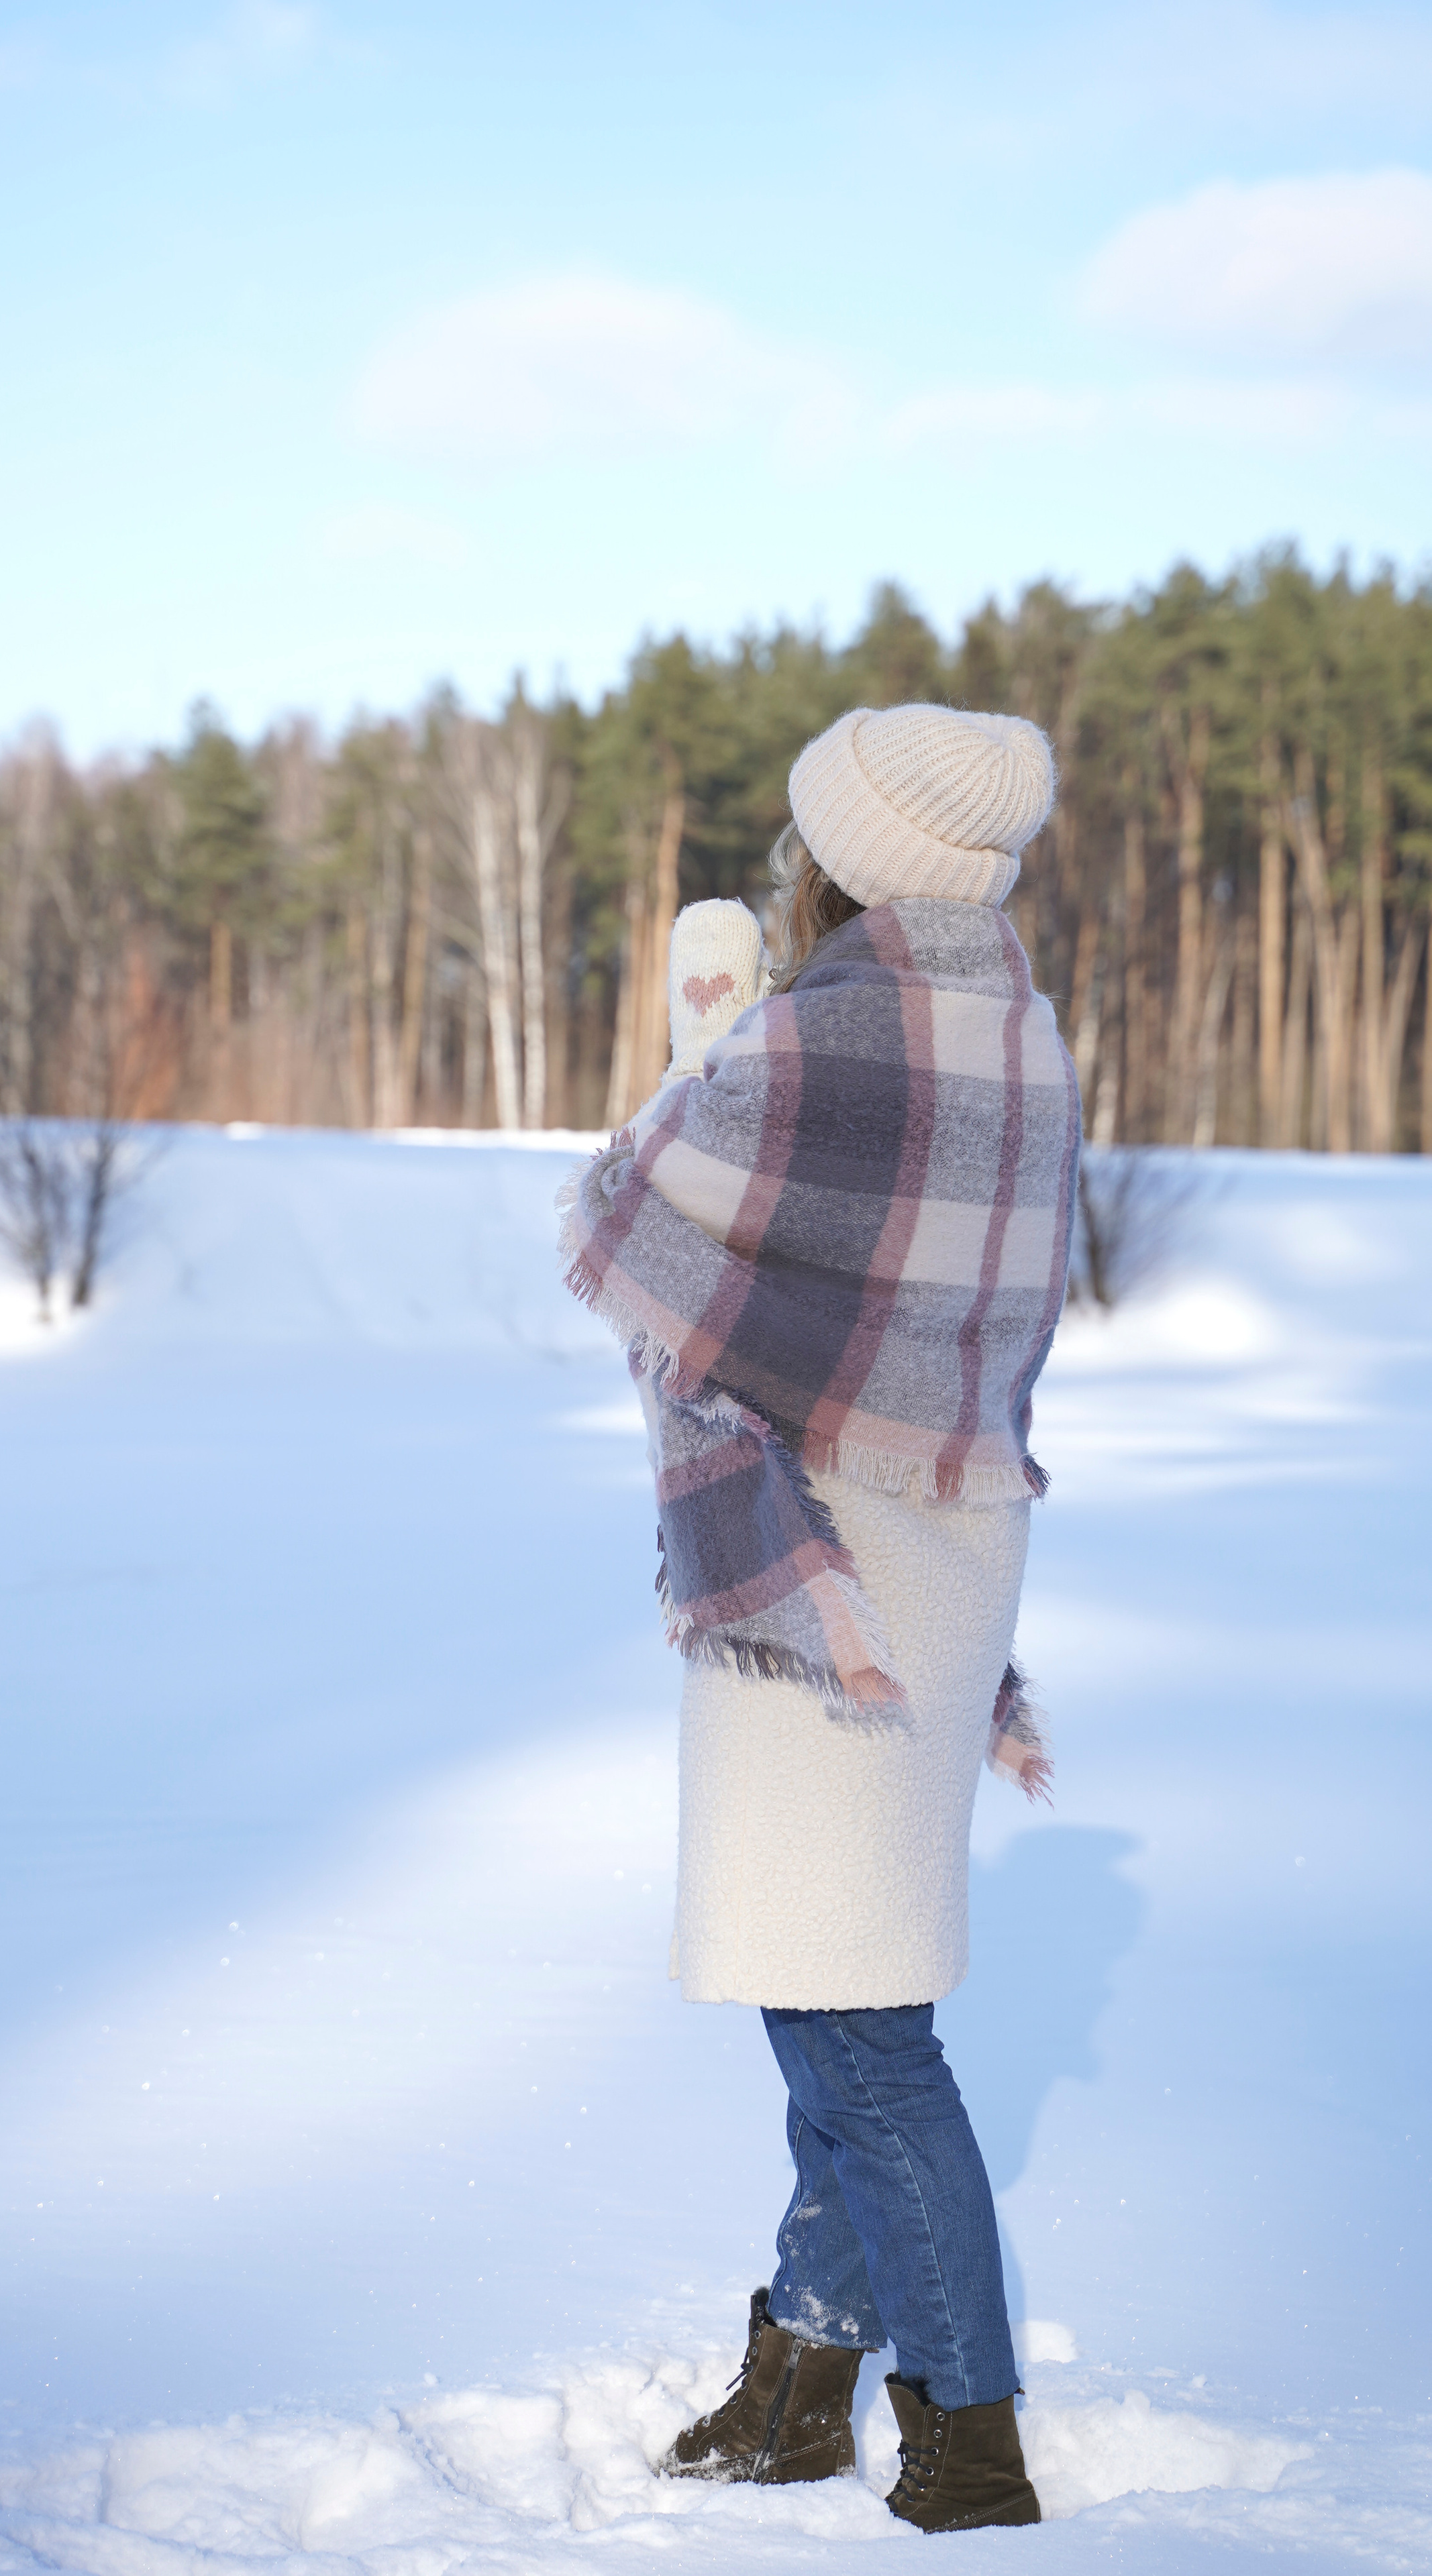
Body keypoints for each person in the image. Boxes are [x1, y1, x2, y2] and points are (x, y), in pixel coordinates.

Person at [560, 702, 1081, 2535]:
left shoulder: (823, 1040)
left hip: (818, 1569)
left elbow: (634, 1223)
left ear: (857, 851)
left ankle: (967, 2435)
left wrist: (712, 1049)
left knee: (862, 2032)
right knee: (835, 1984)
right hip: (941, 1559)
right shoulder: (1024, 1034)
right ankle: (801, 2373)